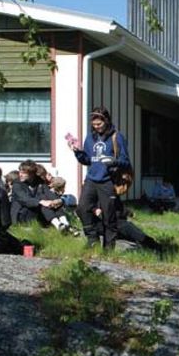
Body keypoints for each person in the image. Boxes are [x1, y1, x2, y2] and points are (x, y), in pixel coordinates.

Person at [69, 107, 131, 250]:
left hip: (108, 181)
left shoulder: (117, 137)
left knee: (109, 215)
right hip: (91, 179)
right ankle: (92, 239)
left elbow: (125, 161)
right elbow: (87, 160)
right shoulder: (90, 138)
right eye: (94, 125)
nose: (96, 127)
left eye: (99, 124)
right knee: (82, 208)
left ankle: (109, 248)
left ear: (106, 121)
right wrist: (77, 152)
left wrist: (112, 161)